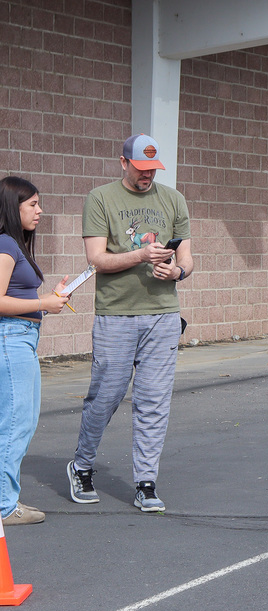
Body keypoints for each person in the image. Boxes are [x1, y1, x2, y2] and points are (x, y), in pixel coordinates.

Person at [67, 134, 193, 513]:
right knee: (105, 397)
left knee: (153, 402)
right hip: (116, 316)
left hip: (163, 317)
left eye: (152, 170)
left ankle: (146, 483)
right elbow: (96, 260)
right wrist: (140, 254)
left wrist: (176, 271)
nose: (147, 176)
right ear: (123, 163)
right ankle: (82, 465)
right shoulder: (101, 198)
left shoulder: (173, 199)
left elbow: (186, 257)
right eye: (140, 169)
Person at [0, 176, 70, 525]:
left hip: (20, 338)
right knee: (16, 424)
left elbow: (18, 296)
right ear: (13, 208)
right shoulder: (5, 245)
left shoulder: (13, 244)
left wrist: (47, 300)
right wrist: (42, 302)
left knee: (17, 422)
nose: (40, 211)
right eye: (33, 204)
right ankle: (4, 507)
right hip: (11, 340)